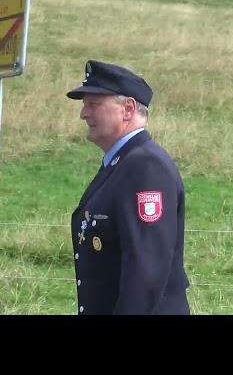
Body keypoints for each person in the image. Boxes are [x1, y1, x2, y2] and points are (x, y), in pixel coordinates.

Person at [66, 60, 190, 315]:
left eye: (93, 104)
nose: (84, 114)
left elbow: (147, 269)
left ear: (128, 108)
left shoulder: (146, 167)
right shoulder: (122, 162)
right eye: (84, 105)